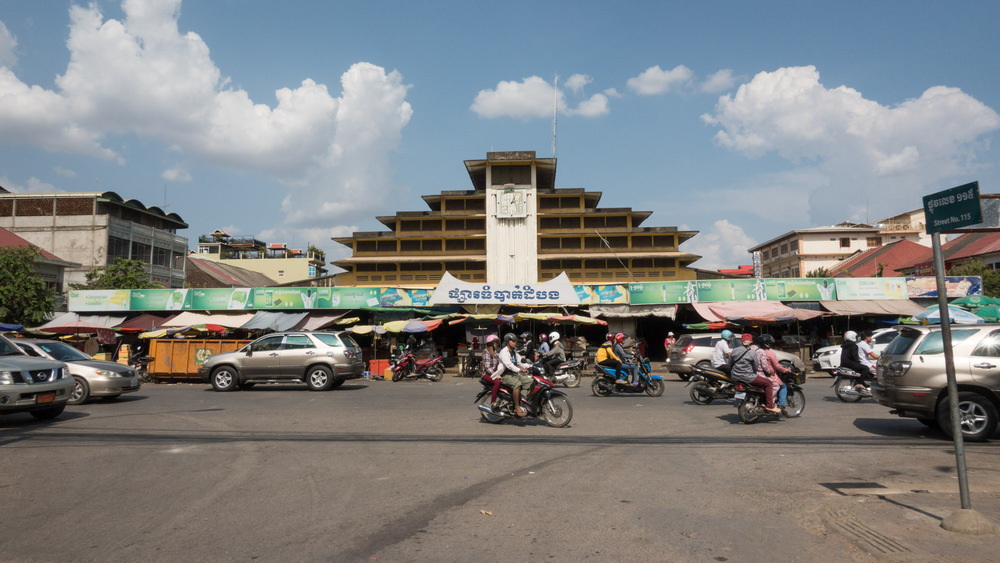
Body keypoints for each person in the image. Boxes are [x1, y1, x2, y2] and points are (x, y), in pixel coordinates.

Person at [728, 333, 780, 414]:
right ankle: (770, 406)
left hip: (734, 377)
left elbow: (729, 363)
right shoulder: (752, 353)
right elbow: (755, 366)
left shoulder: (734, 350)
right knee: (769, 383)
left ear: (741, 341)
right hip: (748, 377)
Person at [499, 332, 532, 417]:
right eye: (513, 341)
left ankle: (527, 403)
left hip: (514, 373)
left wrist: (531, 366)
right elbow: (509, 365)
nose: (515, 342)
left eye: (515, 341)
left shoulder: (514, 351)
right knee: (517, 384)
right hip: (505, 375)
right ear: (507, 342)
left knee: (532, 382)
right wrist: (520, 370)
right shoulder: (503, 352)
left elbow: (520, 362)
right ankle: (517, 407)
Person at [757, 334, 789, 412]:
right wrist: (785, 370)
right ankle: (780, 405)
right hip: (770, 375)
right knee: (783, 386)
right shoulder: (770, 353)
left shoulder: (757, 351)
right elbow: (777, 366)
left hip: (759, 374)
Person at [481, 334, 505, 410]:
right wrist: (495, 375)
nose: (497, 344)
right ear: (491, 343)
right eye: (495, 342)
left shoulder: (495, 351)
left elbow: (501, 359)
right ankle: (493, 402)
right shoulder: (486, 352)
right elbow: (487, 367)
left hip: (495, 373)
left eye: (497, 342)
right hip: (487, 374)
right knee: (497, 382)